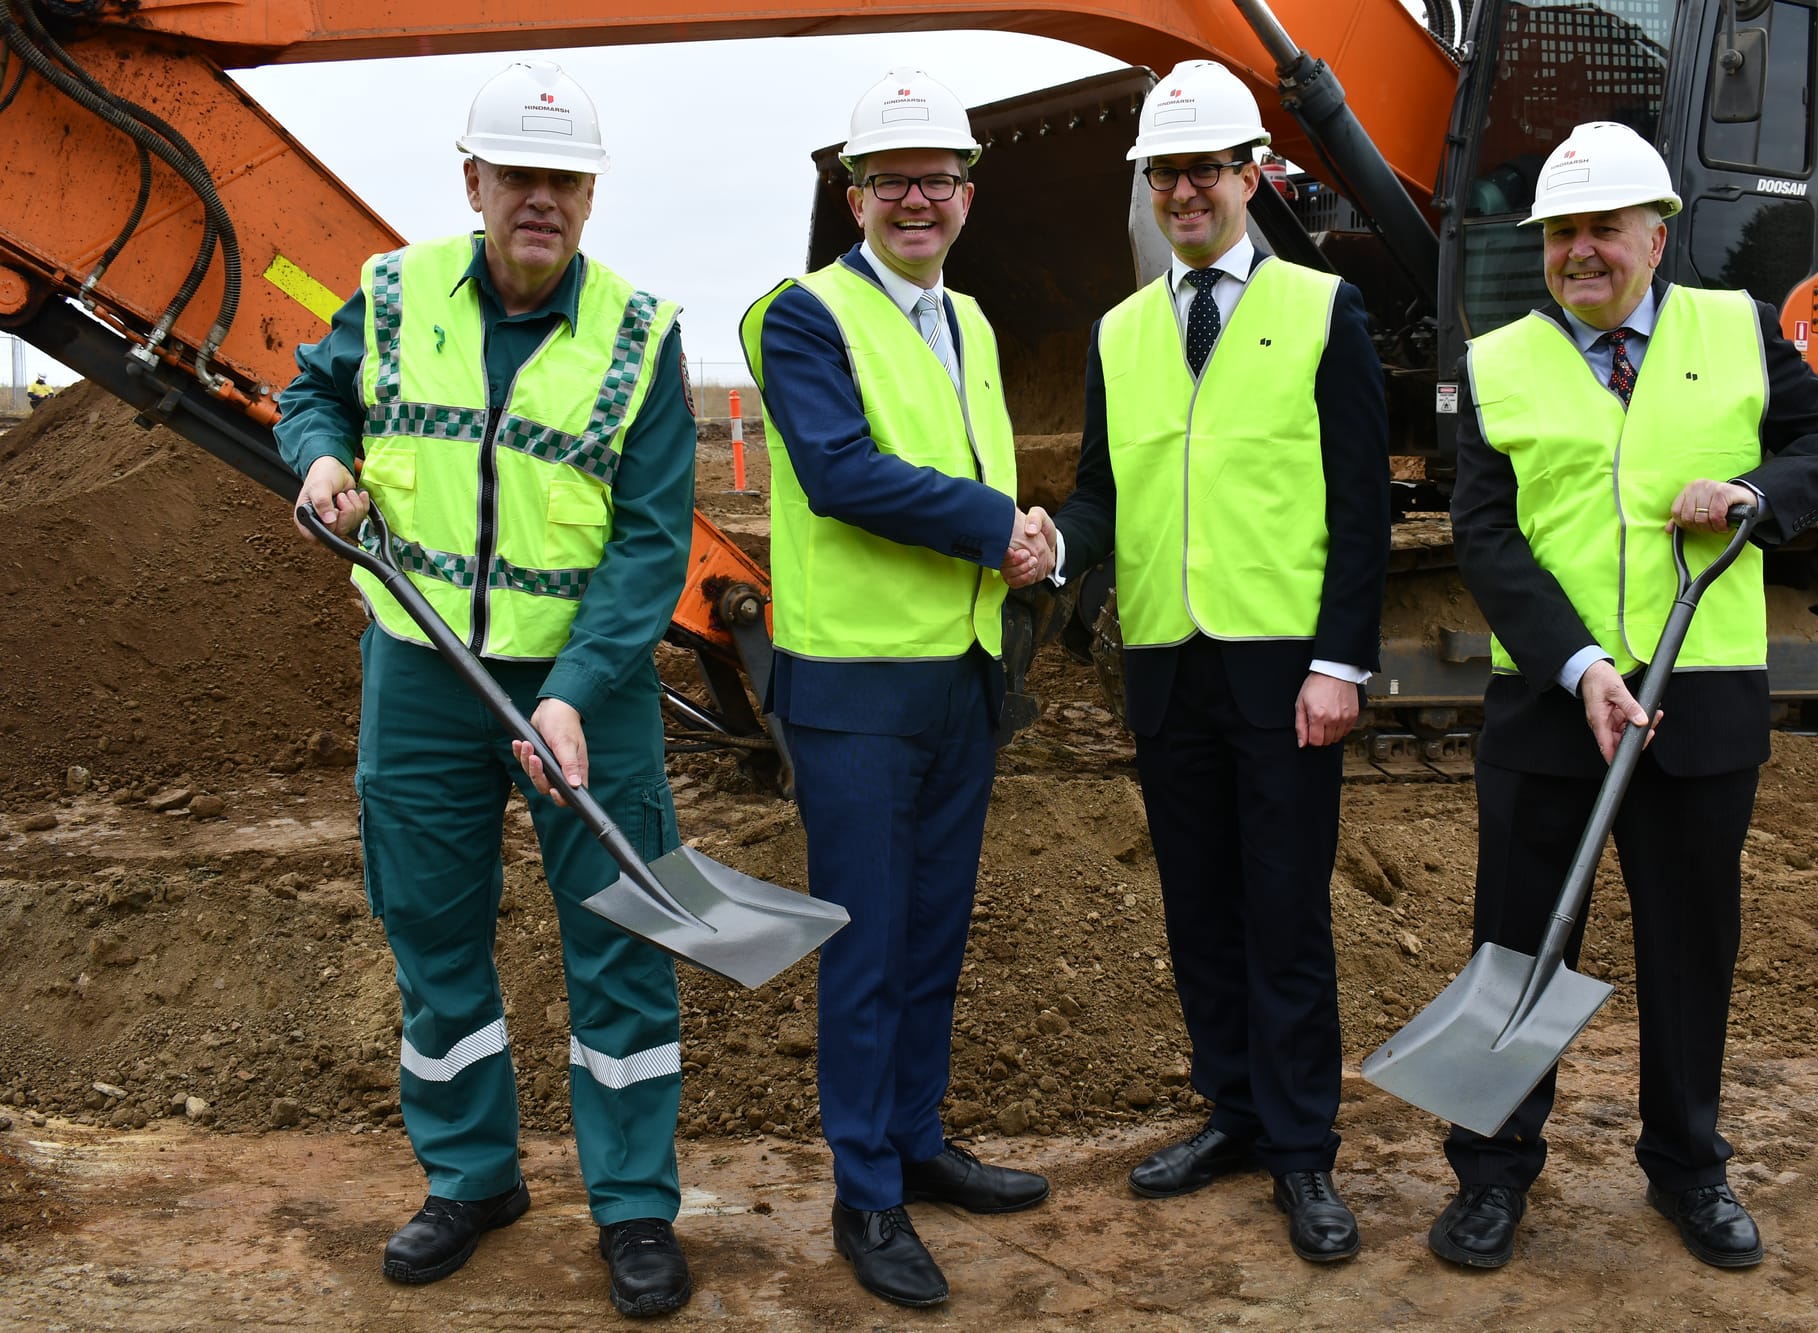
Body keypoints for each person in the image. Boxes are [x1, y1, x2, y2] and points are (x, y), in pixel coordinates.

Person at [275, 61, 699, 1318]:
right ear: (472, 180)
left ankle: (632, 1205)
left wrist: (572, 687)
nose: (540, 200)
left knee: (623, 939)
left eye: (562, 181)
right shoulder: (396, 295)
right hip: (419, 673)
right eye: (517, 175)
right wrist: (320, 460)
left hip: (590, 687)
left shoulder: (638, 331)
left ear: (588, 196)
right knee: (432, 933)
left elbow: (651, 538)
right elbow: (310, 391)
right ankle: (470, 1175)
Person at [1430, 120, 1818, 1271]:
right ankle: (1491, 1176)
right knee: (1520, 944)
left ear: (1655, 233)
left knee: (1690, 947)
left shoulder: (1731, 332)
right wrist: (1579, 664)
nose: (1579, 251)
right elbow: (1485, 539)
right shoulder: (1497, 361)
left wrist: (1749, 490)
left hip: (1698, 704)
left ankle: (1687, 1168)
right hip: (1549, 707)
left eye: (1601, 229)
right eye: (1560, 233)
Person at [1047, 60, 1391, 1264]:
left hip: (1284, 671)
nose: (1185, 189)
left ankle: (1302, 1152)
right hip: (1166, 667)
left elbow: (1361, 508)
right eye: (1165, 172)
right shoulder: (1120, 330)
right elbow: (1101, 495)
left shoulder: (1318, 309)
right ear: (1147, 188)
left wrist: (1340, 661)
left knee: (1284, 913)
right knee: (1197, 910)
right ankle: (1231, 1115)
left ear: (1253, 176)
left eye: (1205, 167)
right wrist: (1049, 548)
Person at [738, 68, 1054, 1309]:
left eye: (937, 178)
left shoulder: (966, 321)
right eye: (891, 181)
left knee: (928, 936)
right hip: (857, 691)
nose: (915, 200)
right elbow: (840, 474)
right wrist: (1001, 528)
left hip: (958, 678)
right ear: (852, 194)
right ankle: (865, 1191)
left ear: (967, 194)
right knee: (865, 947)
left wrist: (1012, 550)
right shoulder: (800, 315)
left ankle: (915, 1142)